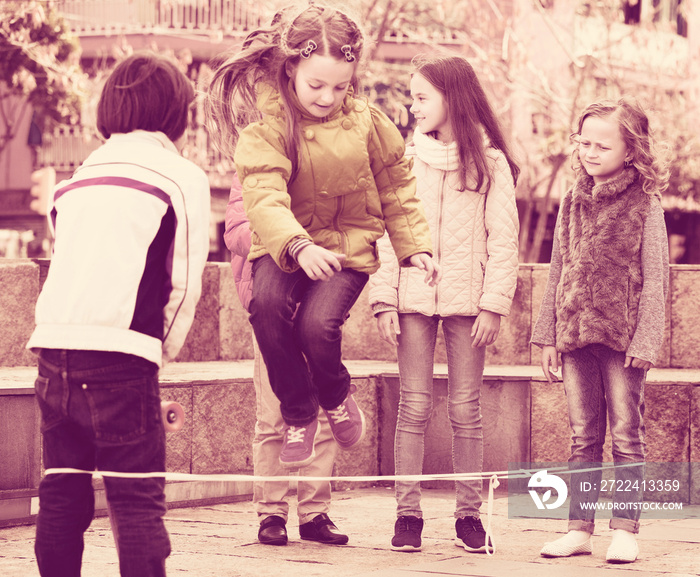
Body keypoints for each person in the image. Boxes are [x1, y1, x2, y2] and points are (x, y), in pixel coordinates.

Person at [206, 3, 439, 469]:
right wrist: (296, 245)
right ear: (291, 68)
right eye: (316, 85)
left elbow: (396, 187)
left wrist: (414, 247)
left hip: (346, 247)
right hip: (287, 245)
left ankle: (335, 397)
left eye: (341, 86)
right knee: (266, 307)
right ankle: (298, 412)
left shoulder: (369, 124)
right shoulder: (265, 130)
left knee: (317, 326)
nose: (328, 97)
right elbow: (265, 199)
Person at [27, 52, 211, 577]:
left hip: (54, 349)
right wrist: (159, 355)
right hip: (122, 356)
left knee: (62, 491)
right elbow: (182, 283)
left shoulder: (74, 180)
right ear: (178, 114)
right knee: (135, 500)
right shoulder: (180, 177)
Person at [368, 53, 520, 554]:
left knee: (466, 411)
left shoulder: (491, 164)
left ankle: (469, 517)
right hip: (413, 300)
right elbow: (389, 236)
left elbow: (504, 241)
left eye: (421, 97)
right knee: (411, 407)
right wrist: (385, 299)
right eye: (412, 97)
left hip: (468, 306)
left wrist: (494, 304)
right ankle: (407, 515)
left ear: (451, 98)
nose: (413, 107)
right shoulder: (404, 161)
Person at [531, 98, 669, 564]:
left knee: (627, 434)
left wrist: (647, 339)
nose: (589, 152)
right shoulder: (572, 197)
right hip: (574, 336)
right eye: (583, 142)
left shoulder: (645, 204)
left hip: (623, 338)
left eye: (602, 145)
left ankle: (626, 529)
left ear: (630, 151)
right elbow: (557, 267)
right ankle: (578, 528)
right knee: (581, 435)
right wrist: (547, 335)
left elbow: (656, 277)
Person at [224, 173, 348, 546]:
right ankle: (271, 512)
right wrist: (287, 240)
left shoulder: (331, 160)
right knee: (273, 416)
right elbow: (235, 232)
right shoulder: (251, 165)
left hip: (319, 306)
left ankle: (315, 513)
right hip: (271, 312)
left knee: (325, 413)